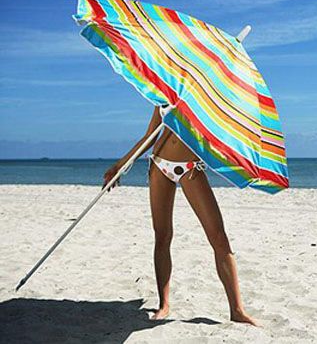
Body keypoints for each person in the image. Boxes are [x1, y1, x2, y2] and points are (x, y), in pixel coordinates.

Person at [103, 105, 258, 325]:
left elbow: (220, 135)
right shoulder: (165, 95)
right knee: (163, 236)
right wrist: (120, 165)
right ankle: (163, 304)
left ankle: (237, 310)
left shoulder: (205, 97)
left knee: (218, 237)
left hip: (190, 167)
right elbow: (149, 137)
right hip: (159, 164)